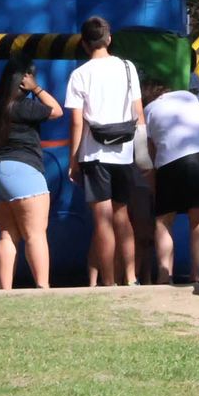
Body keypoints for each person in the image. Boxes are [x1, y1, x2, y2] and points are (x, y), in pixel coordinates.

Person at [64, 16, 146, 286]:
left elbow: (77, 121)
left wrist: (73, 158)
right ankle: (131, 277)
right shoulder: (127, 67)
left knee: (102, 221)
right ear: (109, 39)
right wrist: (143, 152)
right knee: (123, 216)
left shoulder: (80, 74)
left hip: (94, 153)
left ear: (85, 43)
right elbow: (138, 112)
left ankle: (109, 281)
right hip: (124, 151)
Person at [0, 55, 62, 289]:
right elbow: (56, 111)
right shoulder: (24, 106)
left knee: (7, 234)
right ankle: (42, 286)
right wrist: (36, 88)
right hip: (25, 171)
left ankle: (5, 290)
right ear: (23, 81)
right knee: (35, 234)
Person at [142, 79, 199, 284]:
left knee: (163, 220)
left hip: (173, 159)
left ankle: (164, 276)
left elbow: (150, 150)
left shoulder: (147, 110)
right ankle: (195, 276)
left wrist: (154, 179)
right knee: (198, 218)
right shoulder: (190, 96)